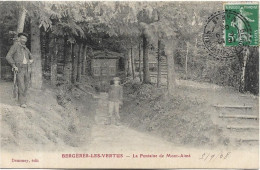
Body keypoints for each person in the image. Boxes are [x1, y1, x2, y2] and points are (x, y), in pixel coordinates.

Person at [6, 33, 33, 108]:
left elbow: (31, 57)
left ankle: (22, 100)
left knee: (26, 85)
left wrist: (30, 61)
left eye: (25, 39)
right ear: (19, 39)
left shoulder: (26, 49)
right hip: (19, 69)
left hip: (27, 69)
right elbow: (8, 56)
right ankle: (22, 102)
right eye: (22, 38)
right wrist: (14, 65)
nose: (24, 40)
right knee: (21, 85)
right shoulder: (15, 46)